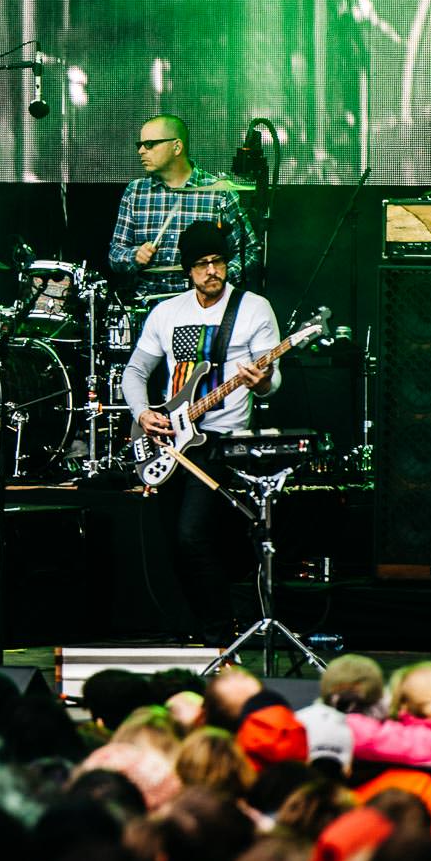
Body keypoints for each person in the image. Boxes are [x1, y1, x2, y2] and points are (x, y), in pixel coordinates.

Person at [120, 220, 279, 644]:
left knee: (193, 535)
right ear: (186, 270)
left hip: (223, 443)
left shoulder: (253, 308)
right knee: (171, 540)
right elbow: (135, 372)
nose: (212, 271)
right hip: (171, 441)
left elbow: (271, 380)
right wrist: (142, 413)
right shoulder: (167, 313)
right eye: (202, 264)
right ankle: (190, 629)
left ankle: (218, 636)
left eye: (218, 261)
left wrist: (260, 380)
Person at [107, 114, 259, 286]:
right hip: (149, 304)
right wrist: (134, 256)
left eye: (149, 144)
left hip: (202, 306)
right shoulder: (136, 192)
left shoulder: (218, 193)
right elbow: (115, 254)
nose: (141, 151)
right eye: (140, 145)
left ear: (177, 147)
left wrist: (214, 277)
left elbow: (250, 252)